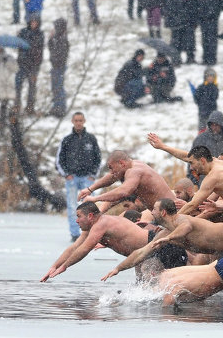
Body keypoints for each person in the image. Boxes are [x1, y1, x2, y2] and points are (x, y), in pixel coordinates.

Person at [40, 202, 184, 282]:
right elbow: (75, 247)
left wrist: (65, 267)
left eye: (79, 216)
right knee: (146, 285)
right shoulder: (91, 228)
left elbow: (85, 249)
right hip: (143, 254)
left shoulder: (101, 224)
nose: (76, 220)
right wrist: (54, 266)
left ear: (90, 216)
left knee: (172, 282)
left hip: (159, 246)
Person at [79, 150, 176, 211]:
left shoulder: (134, 171)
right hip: (161, 213)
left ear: (121, 163)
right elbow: (112, 179)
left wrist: (95, 198)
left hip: (171, 213)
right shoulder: (131, 165)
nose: (111, 172)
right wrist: (90, 189)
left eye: (111, 168)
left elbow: (122, 192)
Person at [56, 112, 101, 242]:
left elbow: (98, 158)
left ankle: (91, 233)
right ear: (72, 121)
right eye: (76, 120)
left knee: (90, 206)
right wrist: (66, 174)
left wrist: (93, 175)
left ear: (84, 121)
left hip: (88, 178)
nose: (78, 123)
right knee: (72, 206)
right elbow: (59, 159)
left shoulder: (91, 139)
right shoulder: (67, 140)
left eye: (80, 120)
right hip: (72, 178)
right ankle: (75, 234)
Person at [194, 0, 223, 65]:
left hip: (213, 19)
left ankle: (212, 59)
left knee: (212, 40)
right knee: (205, 39)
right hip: (203, 19)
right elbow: (195, 5)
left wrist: (215, 10)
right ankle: (205, 58)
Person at [165, 0, 196, 65]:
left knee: (190, 42)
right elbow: (168, 8)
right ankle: (176, 59)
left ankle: (190, 58)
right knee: (175, 42)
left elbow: (193, 7)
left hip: (188, 22)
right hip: (176, 23)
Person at [16, 16, 44, 115]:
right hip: (22, 63)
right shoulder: (23, 32)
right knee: (18, 86)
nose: (33, 24)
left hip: (34, 65)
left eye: (35, 22)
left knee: (32, 87)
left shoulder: (40, 34)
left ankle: (30, 108)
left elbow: (38, 49)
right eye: (32, 22)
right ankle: (17, 107)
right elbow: (19, 45)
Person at [48, 18, 68, 117]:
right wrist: (50, 39)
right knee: (55, 87)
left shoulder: (62, 39)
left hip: (59, 67)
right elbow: (51, 49)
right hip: (55, 66)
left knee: (58, 87)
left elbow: (60, 54)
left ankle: (61, 108)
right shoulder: (57, 38)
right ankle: (57, 106)